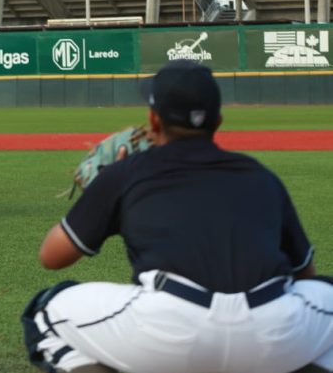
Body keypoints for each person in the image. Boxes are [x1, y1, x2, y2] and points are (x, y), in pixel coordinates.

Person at [22, 60, 333, 373]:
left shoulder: (127, 172)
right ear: (218, 120)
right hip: (273, 332)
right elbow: (304, 276)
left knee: (44, 313)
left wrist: (105, 190)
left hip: (170, 331)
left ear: (154, 120)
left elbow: (52, 256)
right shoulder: (261, 176)